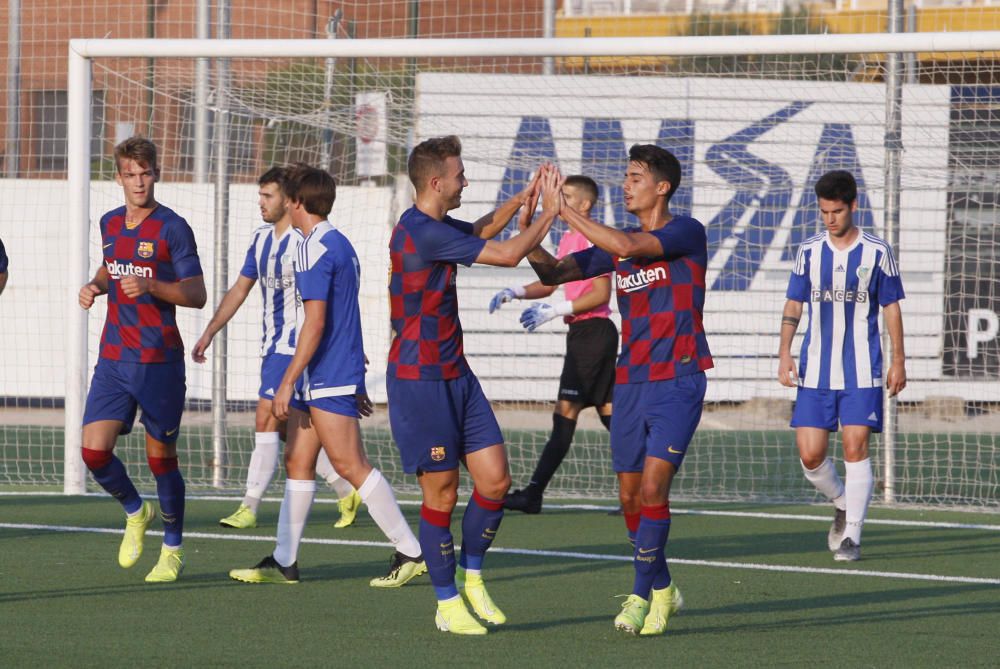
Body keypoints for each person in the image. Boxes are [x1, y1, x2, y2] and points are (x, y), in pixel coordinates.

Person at [526, 144, 712, 636]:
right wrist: (532, 229)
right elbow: (552, 273)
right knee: (631, 499)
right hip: (630, 381)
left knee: (653, 488)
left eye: (634, 177)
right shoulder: (616, 244)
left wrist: (563, 208)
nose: (625, 185)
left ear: (662, 187)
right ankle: (664, 588)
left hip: (678, 379)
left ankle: (637, 595)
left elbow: (631, 250)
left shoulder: (685, 232)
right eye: (625, 176)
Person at [387, 135, 562, 635]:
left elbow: (483, 229)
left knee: (495, 481)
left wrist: (523, 198)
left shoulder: (435, 225)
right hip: (420, 380)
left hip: (456, 374)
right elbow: (506, 255)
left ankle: (472, 575)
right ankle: (446, 604)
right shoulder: (421, 232)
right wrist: (547, 213)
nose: (467, 180)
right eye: (461, 175)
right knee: (442, 494)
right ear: (437, 182)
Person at [229, 164, 426, 588]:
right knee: (298, 460)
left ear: (297, 203)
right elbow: (339, 315)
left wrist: (289, 380)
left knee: (349, 464)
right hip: (327, 371)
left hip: (326, 373)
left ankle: (412, 550)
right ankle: (284, 561)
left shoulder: (314, 249)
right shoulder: (332, 243)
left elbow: (316, 323)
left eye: (289, 197)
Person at [192, 166, 361, 531]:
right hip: (272, 347)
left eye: (267, 196)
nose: (260, 203)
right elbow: (240, 289)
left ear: (289, 200)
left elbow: (328, 306)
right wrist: (210, 331)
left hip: (296, 347)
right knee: (296, 432)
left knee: (266, 418)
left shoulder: (307, 245)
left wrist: (348, 344)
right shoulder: (260, 240)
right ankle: (345, 487)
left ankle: (249, 505)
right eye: (260, 196)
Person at [77, 136, 207, 583]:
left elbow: (196, 294)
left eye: (145, 173)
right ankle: (136, 511)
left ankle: (172, 549)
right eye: (130, 174)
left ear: (156, 173)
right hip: (113, 357)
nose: (138, 182)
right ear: (118, 177)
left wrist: (151, 286)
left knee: (161, 460)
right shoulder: (110, 222)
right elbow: (110, 267)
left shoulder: (173, 227)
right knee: (93, 452)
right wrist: (95, 286)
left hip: (159, 360)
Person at [778, 169, 906, 562]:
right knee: (810, 455)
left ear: (853, 206)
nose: (830, 218)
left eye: (836, 211)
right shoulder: (809, 251)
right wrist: (784, 351)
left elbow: (891, 306)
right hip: (816, 370)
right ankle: (842, 502)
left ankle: (852, 536)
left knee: (855, 446)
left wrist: (899, 358)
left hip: (862, 370)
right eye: (823, 212)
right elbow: (794, 304)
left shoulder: (877, 251)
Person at [488, 175, 616, 514]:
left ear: (585, 205)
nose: (559, 201)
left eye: (567, 196)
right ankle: (642, 488)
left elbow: (601, 294)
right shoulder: (568, 239)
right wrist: (514, 291)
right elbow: (551, 280)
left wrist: (556, 310)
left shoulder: (594, 238)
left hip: (594, 333)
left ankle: (533, 493)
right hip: (585, 335)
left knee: (566, 412)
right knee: (609, 414)